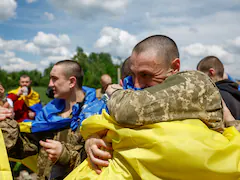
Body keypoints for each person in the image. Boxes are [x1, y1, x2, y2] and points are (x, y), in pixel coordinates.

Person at [63, 35, 240, 180]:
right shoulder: (152, 97)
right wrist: (95, 140)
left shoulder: (194, 82)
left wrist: (113, 91)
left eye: (146, 75)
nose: (138, 85)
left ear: (175, 67)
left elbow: (127, 110)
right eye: (134, 76)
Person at [0, 60, 106, 180]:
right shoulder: (48, 114)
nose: (50, 84)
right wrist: (5, 122)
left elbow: (101, 162)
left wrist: (64, 155)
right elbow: (25, 148)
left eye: (54, 78)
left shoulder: (96, 115)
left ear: (71, 82)